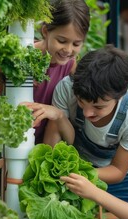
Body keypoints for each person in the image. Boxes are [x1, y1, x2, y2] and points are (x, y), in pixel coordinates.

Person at [23, 45, 128, 219]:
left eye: (98, 107)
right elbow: (55, 145)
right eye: (81, 103)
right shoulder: (67, 88)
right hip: (75, 167)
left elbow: (118, 171)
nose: (87, 113)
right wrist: (59, 117)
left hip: (121, 176)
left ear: (120, 94)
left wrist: (81, 178)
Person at [33, 0, 90, 144]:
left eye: (76, 44)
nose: (68, 50)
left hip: (46, 142)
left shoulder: (71, 65)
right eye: (62, 41)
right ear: (46, 31)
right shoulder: (27, 55)